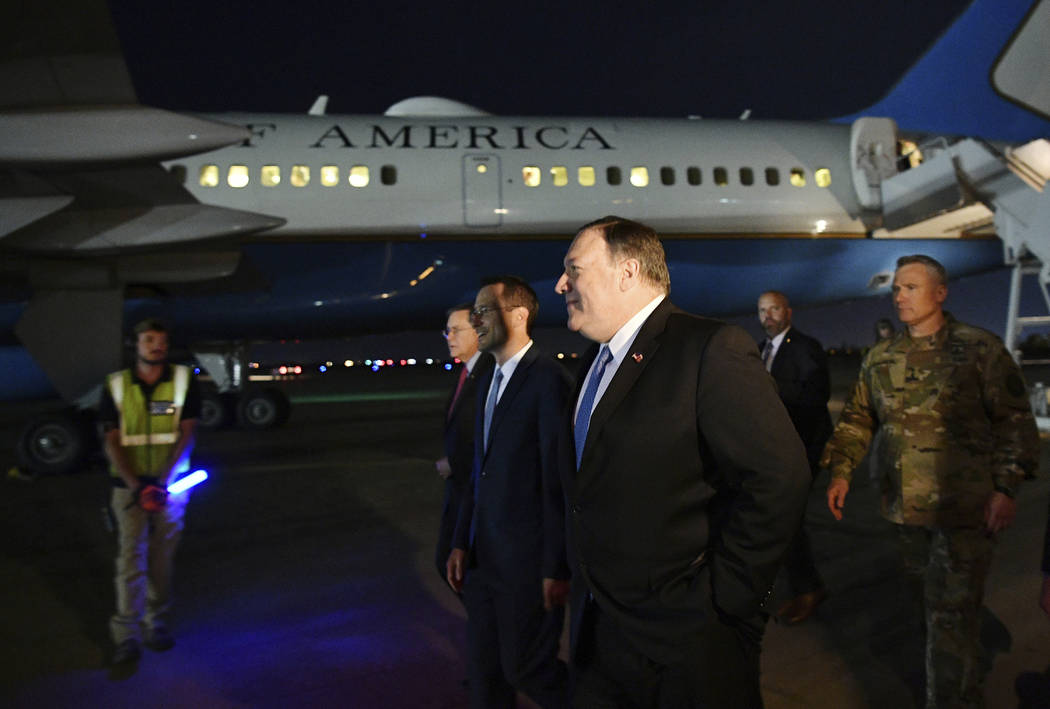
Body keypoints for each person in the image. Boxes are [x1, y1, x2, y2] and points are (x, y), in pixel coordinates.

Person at [555, 216, 810, 708]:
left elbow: (779, 478)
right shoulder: (594, 363)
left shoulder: (710, 349)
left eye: (574, 269)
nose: (562, 283)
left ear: (626, 273)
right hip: (599, 631)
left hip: (685, 641)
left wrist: (724, 598)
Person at [823, 254, 1039, 708]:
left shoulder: (979, 349)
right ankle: (963, 680)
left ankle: (952, 700)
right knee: (931, 610)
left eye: (910, 287)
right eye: (896, 288)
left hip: (967, 510)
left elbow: (1014, 421)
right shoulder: (882, 358)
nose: (899, 296)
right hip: (906, 510)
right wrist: (842, 470)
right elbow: (859, 420)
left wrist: (1006, 486)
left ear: (940, 293)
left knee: (949, 614)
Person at [446, 276, 571, 709]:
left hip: (526, 562)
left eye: (484, 311)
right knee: (486, 675)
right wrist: (463, 540)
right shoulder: (485, 382)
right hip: (483, 561)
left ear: (519, 315)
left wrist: (557, 565)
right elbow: (478, 474)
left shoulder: (548, 380)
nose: (474, 319)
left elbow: (558, 481)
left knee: (528, 667)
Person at [98, 318, 201, 665]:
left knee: (161, 561)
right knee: (130, 560)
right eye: (148, 339)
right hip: (129, 491)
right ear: (136, 345)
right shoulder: (115, 386)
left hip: (169, 489)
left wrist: (161, 483)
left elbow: (187, 435)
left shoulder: (184, 382)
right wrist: (138, 487)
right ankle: (126, 635)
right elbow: (112, 442)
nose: (156, 345)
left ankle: (155, 624)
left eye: (161, 340)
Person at [757, 290, 833, 624]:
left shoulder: (804, 347)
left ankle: (808, 589)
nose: (767, 316)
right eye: (762, 311)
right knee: (780, 519)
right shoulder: (763, 350)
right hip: (775, 451)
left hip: (803, 448)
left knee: (788, 518)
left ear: (788, 312)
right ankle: (800, 585)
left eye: (773, 309)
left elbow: (816, 396)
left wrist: (766, 390)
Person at [434, 303, 493, 589]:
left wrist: (453, 463)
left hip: (471, 492)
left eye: (457, 330)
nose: (450, 337)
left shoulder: (487, 375)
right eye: (447, 331)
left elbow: (483, 438)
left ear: (479, 333)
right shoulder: (469, 373)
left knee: (455, 567)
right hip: (460, 492)